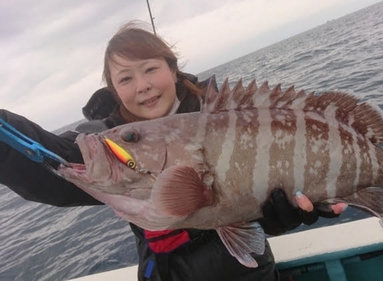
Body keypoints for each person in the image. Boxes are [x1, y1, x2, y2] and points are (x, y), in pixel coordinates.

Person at [0, 23, 346, 281]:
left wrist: (284, 212)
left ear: (172, 68)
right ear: (114, 91)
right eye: (125, 79)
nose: (143, 85)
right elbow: (47, 162)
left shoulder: (228, 117)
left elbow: (291, 162)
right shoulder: (112, 147)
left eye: (150, 69)